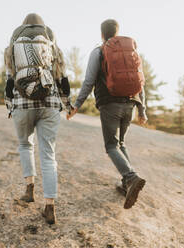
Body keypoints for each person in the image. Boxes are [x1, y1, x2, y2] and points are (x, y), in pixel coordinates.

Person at [67, 19, 147, 209]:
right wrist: (142, 110)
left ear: (102, 34)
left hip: (110, 104)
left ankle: (130, 177)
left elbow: (89, 81)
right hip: (130, 102)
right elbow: (140, 81)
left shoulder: (99, 50)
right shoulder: (131, 51)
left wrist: (76, 105)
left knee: (111, 146)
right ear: (118, 32)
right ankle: (126, 183)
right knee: (120, 143)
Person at [4, 13, 72, 224]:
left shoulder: (14, 44)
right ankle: (50, 206)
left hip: (22, 103)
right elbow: (62, 76)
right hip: (49, 103)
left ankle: (29, 189)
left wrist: (10, 105)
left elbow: (9, 79)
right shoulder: (51, 42)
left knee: (25, 145)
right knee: (48, 154)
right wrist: (67, 103)